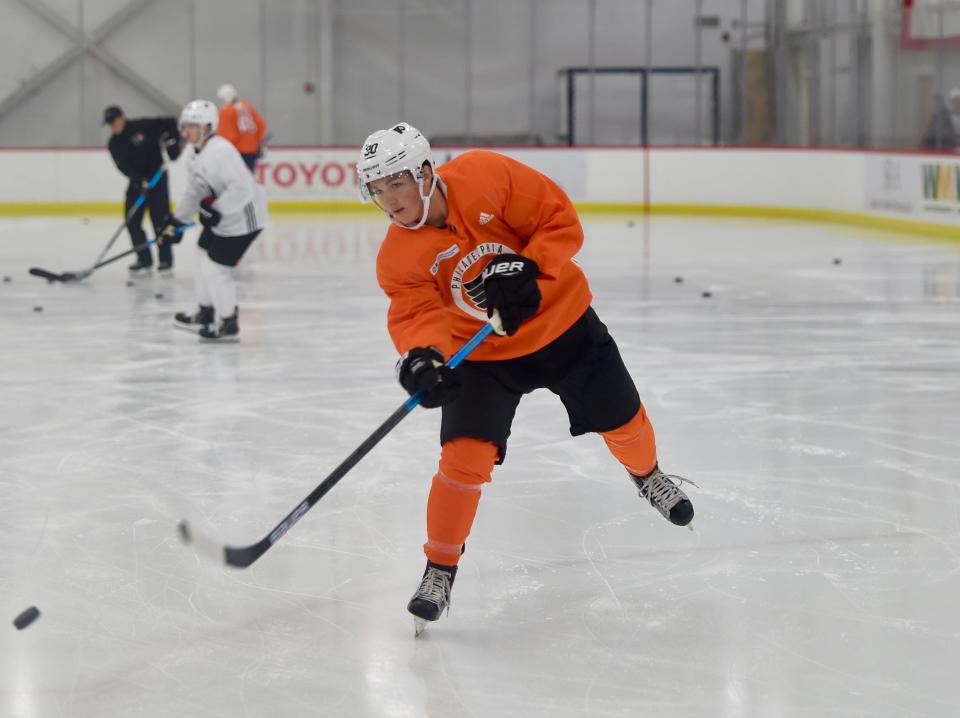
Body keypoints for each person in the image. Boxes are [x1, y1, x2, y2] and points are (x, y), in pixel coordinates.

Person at [357, 123, 695, 635]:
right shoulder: (397, 255)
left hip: (564, 327)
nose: (389, 200)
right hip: (487, 356)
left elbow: (558, 219)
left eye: (396, 184)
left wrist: (528, 269)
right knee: (462, 459)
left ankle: (647, 475)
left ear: (425, 173)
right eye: (378, 190)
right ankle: (439, 568)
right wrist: (426, 358)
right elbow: (416, 315)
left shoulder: (485, 174)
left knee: (622, 421)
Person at [160, 99, 267, 341]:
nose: (185, 132)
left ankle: (228, 322)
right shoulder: (192, 153)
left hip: (246, 216)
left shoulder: (222, 151)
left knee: (216, 268)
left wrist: (216, 209)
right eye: (185, 126)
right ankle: (205, 312)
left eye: (191, 126)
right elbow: (194, 190)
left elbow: (242, 189)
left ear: (207, 128)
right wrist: (176, 221)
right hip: (225, 216)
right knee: (201, 255)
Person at [104, 105, 181, 273]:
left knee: (160, 221)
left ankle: (165, 259)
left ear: (122, 117)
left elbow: (171, 123)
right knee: (132, 221)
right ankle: (144, 258)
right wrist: (139, 180)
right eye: (109, 124)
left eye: (113, 122)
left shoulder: (144, 126)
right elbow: (123, 167)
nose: (112, 126)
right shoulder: (114, 143)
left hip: (157, 179)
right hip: (137, 183)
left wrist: (172, 142)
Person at [215, 84, 268, 172]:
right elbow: (261, 125)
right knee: (248, 179)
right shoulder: (247, 106)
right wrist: (257, 142)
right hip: (252, 151)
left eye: (221, 100)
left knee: (235, 181)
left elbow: (230, 136)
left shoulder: (226, 112)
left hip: (237, 152)